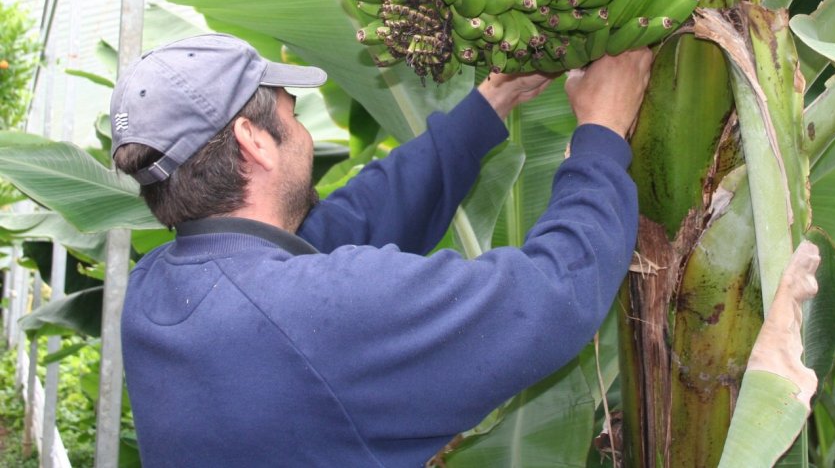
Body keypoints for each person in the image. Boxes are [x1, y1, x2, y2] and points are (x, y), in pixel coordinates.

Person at [110, 32, 652, 467]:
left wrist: (493, 100)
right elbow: (551, 298)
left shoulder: (155, 288)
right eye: (292, 114)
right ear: (255, 140)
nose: (302, 133)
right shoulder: (317, 314)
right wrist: (601, 132)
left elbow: (356, 220)